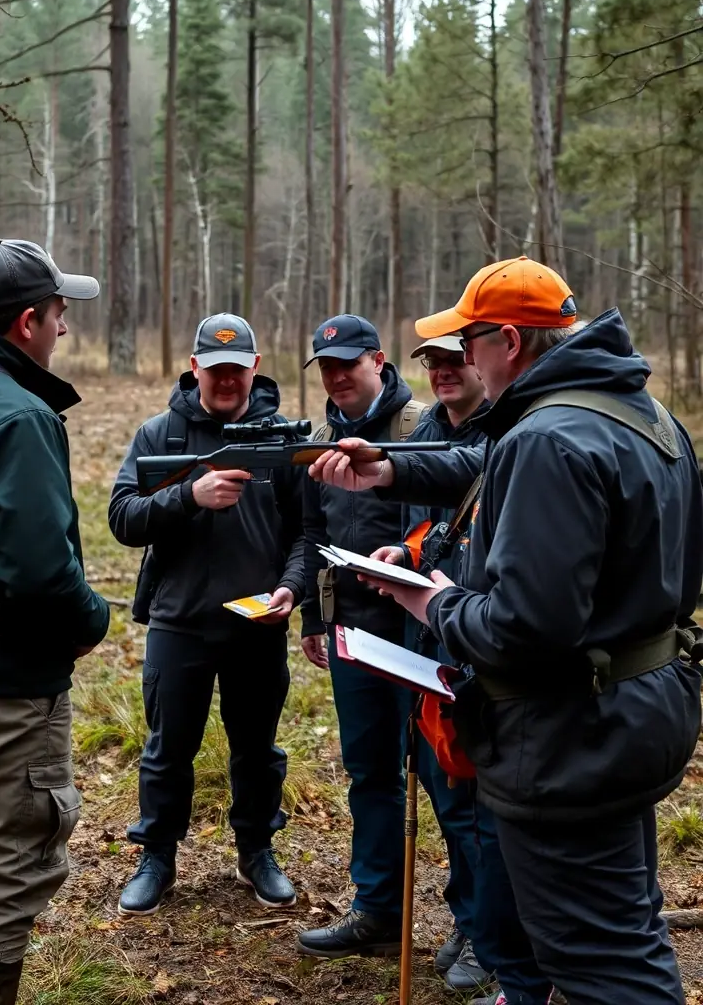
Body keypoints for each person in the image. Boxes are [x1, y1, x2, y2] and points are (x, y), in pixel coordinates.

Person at [306, 256, 703, 1005]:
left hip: (569, 740)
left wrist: (434, 598)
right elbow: (498, 466)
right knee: (623, 928)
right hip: (639, 710)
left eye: (470, 343)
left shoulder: (549, 437)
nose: (462, 362)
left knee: (594, 959)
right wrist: (387, 469)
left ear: (510, 343)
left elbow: (520, 628)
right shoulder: (642, 415)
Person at [0, 239, 110, 1005]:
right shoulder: (15, 413)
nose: (65, 329)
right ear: (29, 321)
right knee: (8, 869)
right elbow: (42, 578)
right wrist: (92, 618)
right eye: (61, 313)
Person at [373, 333, 557, 1005]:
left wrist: (390, 469)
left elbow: (480, 497)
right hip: (432, 632)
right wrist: (408, 553)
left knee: (484, 804)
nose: (448, 371)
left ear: (492, 357)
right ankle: (470, 918)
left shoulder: (514, 433)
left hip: (483, 640)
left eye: (458, 358)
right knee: (445, 789)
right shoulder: (424, 429)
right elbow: (437, 527)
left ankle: (497, 940)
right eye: (436, 364)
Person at [109, 313, 305, 916]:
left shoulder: (282, 439)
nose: (226, 381)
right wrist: (186, 497)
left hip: (257, 625)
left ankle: (256, 851)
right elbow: (121, 517)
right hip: (180, 619)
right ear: (194, 368)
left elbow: (306, 532)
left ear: (255, 369)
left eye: (237, 371)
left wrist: (292, 589)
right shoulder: (159, 435)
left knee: (258, 749)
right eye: (214, 370)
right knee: (168, 748)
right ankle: (157, 857)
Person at [298, 313, 447, 958]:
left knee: (447, 779)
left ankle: (474, 924)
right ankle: (377, 907)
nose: (336, 379)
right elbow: (313, 539)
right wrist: (313, 616)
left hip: (421, 639)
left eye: (348, 366)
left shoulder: (421, 431)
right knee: (370, 774)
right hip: (353, 636)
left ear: (379, 362)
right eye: (327, 369)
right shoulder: (323, 440)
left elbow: (446, 530)